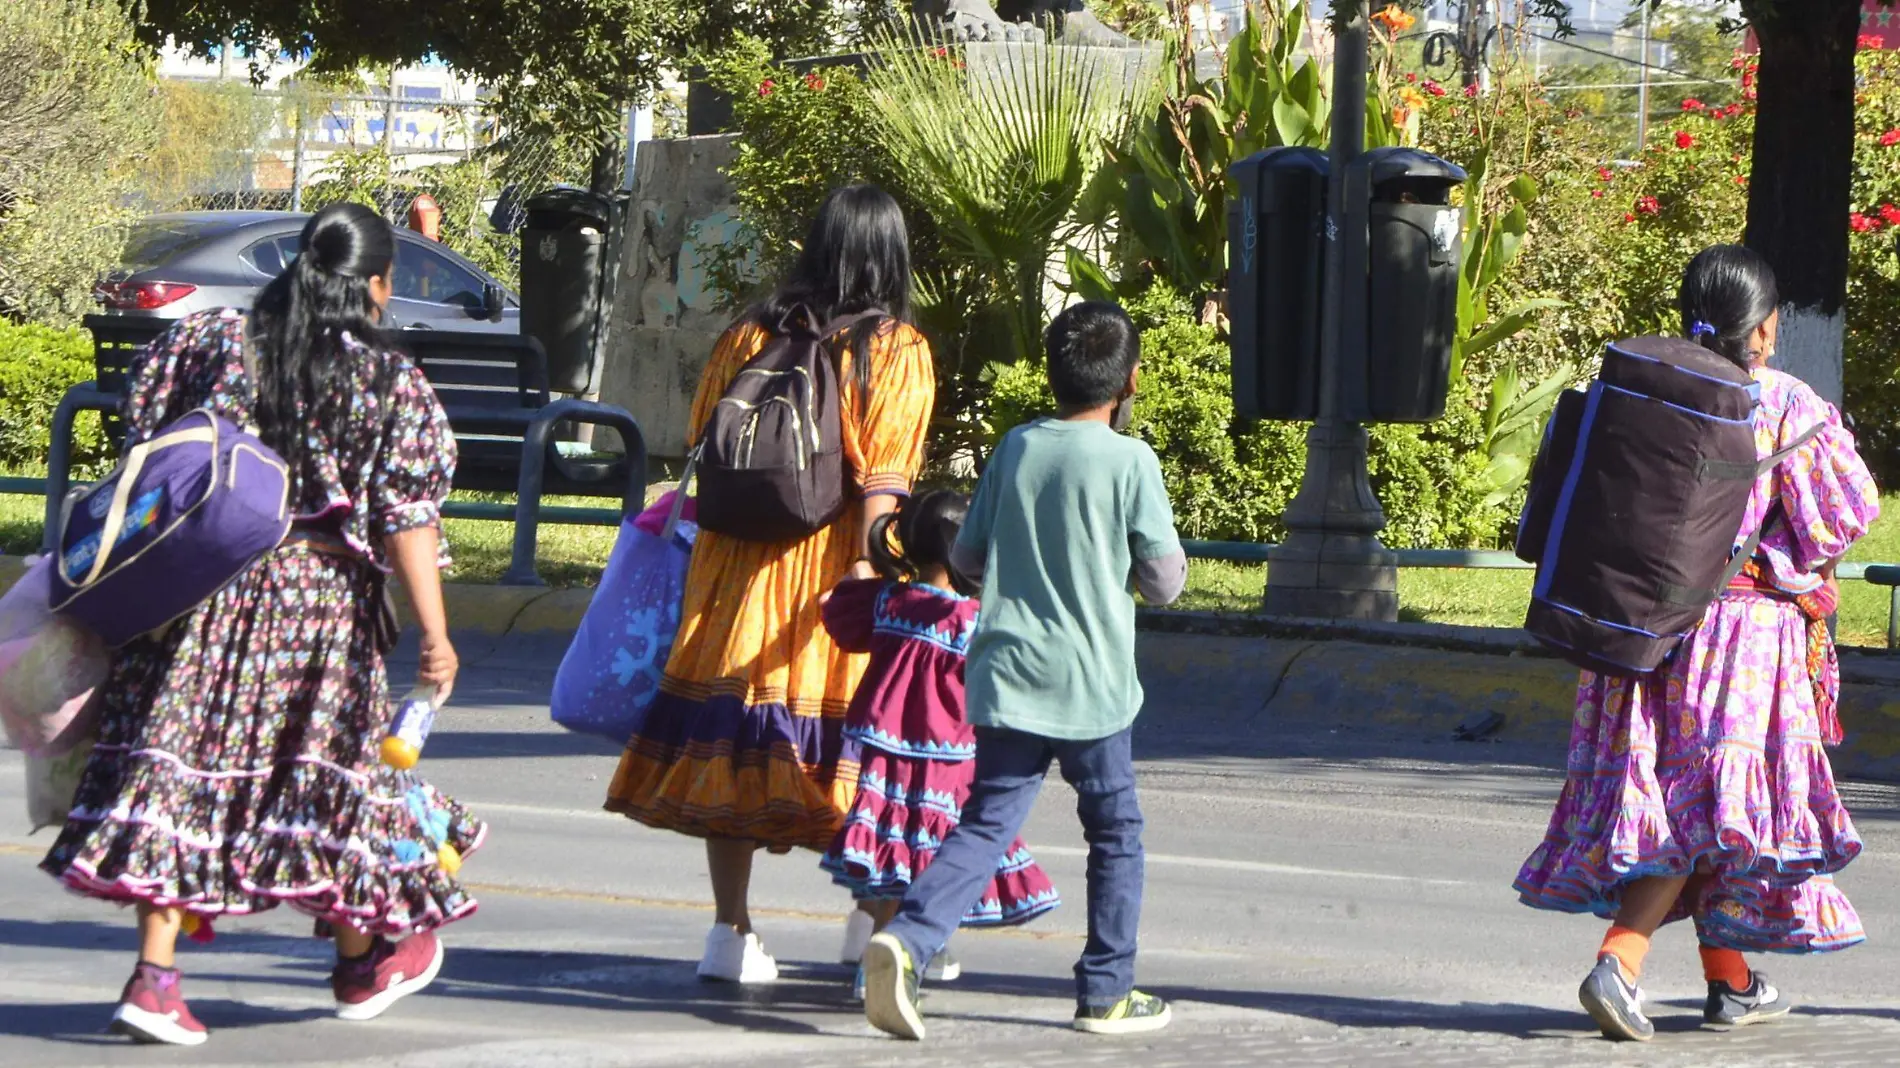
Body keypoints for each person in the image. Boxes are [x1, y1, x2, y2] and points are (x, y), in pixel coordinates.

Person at [40, 203, 484, 1046]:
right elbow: (408, 516)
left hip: (195, 589)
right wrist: (436, 633)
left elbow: (147, 439)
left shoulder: (205, 342)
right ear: (379, 286)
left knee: (178, 770)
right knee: (326, 778)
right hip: (317, 612)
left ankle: (155, 980)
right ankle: (361, 962)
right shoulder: (388, 382)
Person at [1514, 245, 1879, 1043]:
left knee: (1701, 806)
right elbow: (1844, 515)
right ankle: (1620, 962)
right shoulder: (1786, 403)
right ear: (1769, 328)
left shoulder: (1641, 390)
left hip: (1643, 628)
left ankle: (1732, 982)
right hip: (1744, 644)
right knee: (1712, 807)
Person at [605, 184, 937, 983]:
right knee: (867, 757)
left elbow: (702, 443)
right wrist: (872, 573)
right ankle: (870, 925)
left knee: (736, 744)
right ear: (890, 256)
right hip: (828, 570)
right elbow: (884, 484)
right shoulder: (893, 349)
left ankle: (730, 933)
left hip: (736, 570)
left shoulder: (747, 333)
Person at [861, 301, 1187, 1041]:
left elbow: (969, 560)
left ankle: (905, 941)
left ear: (1053, 375)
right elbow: (1165, 582)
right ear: (1130, 381)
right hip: (1092, 686)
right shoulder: (1131, 462)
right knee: (1115, 832)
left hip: (1007, 674)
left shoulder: (1013, 449)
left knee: (985, 823)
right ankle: (1106, 991)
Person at [818, 488, 1061, 999]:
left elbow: (838, 615)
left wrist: (860, 578)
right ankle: (913, 947)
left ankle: (881, 954)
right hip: (949, 761)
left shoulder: (890, 601)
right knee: (934, 856)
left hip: (882, 755)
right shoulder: (972, 621)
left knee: (890, 856)